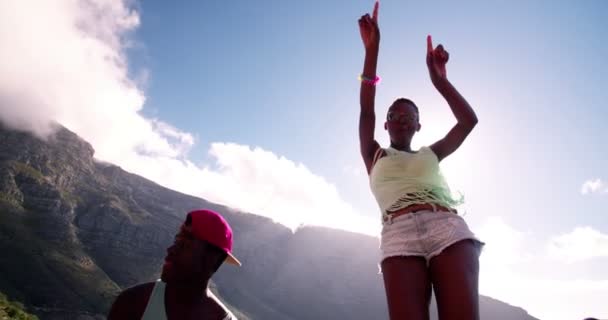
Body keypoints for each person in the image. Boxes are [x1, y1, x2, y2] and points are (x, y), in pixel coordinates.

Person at [357, 2, 484, 320]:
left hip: (446, 226)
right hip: (398, 232)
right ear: (385, 125)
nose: (400, 120)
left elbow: (468, 121)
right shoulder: (374, 153)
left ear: (418, 125)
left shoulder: (432, 152)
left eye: (408, 117)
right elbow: (366, 108)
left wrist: (439, 80)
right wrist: (373, 50)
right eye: (393, 116)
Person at [108, 209, 241, 320]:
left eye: (184, 244)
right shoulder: (133, 302)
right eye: (177, 241)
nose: (170, 250)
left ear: (214, 260)